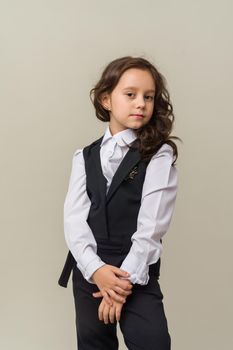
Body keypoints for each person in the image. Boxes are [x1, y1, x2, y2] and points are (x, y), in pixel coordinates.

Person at [58, 56, 181, 350]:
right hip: (90, 269)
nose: (141, 103)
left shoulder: (159, 154)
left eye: (148, 97)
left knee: (153, 342)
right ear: (106, 100)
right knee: (94, 344)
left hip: (136, 269)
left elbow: (152, 226)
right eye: (130, 94)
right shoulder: (84, 156)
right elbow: (74, 220)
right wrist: (96, 270)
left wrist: (120, 287)